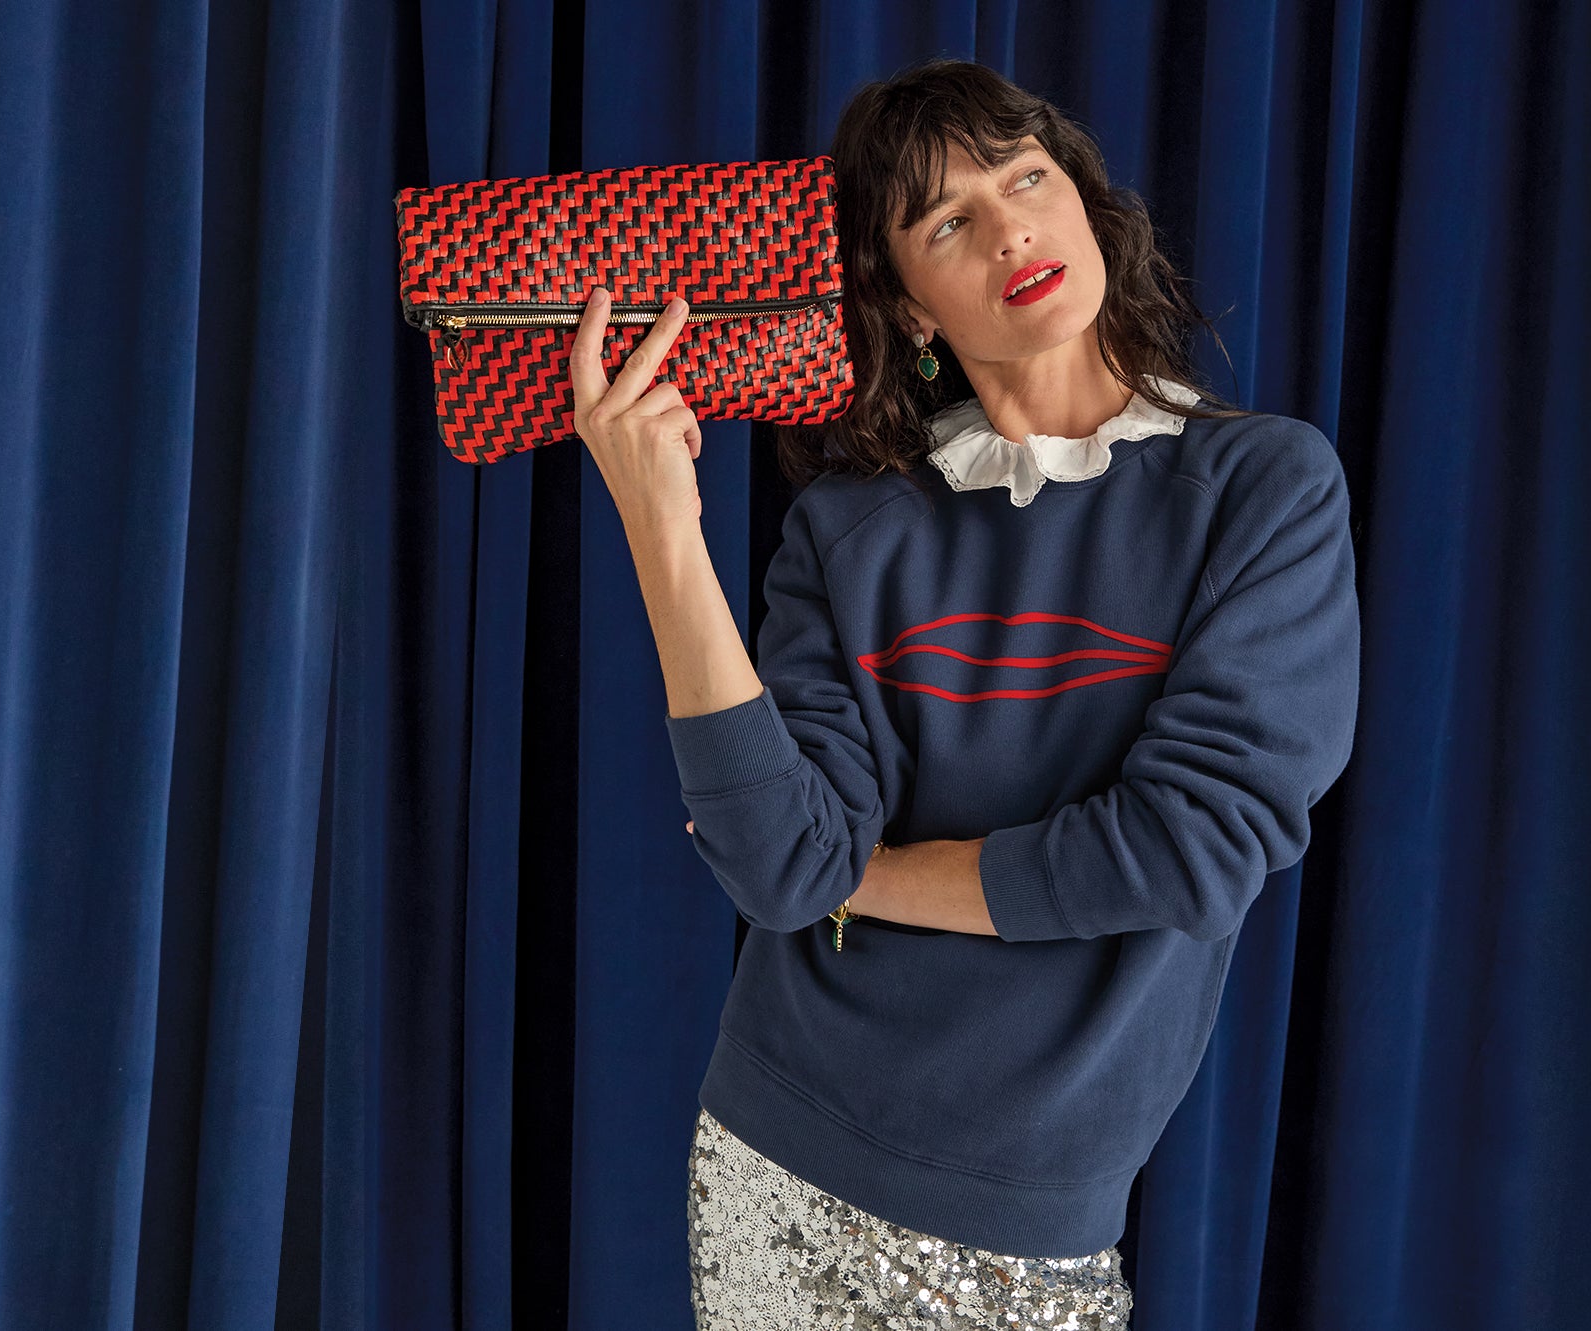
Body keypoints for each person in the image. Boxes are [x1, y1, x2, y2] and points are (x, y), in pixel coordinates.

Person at [570, 57, 1359, 1328]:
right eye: (947, 219)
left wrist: (867, 875)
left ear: (1088, 205)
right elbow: (778, 868)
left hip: (1038, 1214)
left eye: (1027, 176)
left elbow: (1197, 848)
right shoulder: (850, 530)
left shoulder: (1262, 491)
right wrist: (663, 518)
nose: (1010, 227)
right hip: (787, 1153)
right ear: (911, 306)